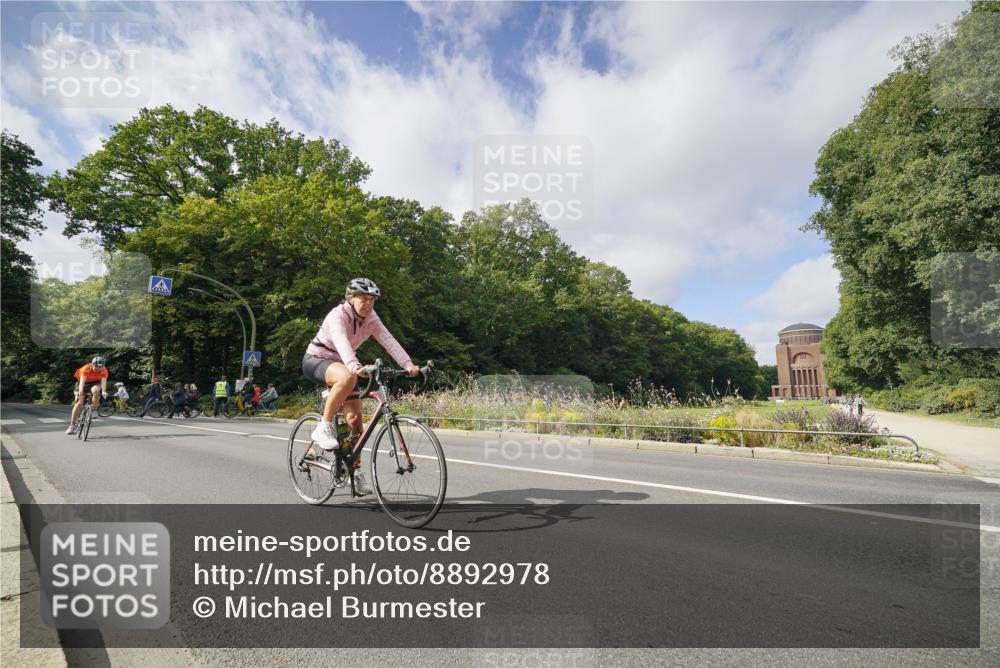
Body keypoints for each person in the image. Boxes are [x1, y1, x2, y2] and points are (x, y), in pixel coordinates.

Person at [302, 278, 419, 496]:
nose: (368, 304)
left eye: (372, 300)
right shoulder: (337, 315)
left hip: (344, 364)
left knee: (356, 422)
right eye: (363, 299)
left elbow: (389, 340)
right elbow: (341, 341)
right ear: (351, 298)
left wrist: (408, 365)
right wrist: (355, 366)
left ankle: (352, 471)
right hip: (317, 359)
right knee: (347, 376)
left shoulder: (372, 318)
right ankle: (324, 426)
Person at [67, 356, 109, 434]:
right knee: (79, 403)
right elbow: (82, 382)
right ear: (93, 365)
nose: (99, 369)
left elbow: (103, 382)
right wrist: (80, 391)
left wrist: (103, 391)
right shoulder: (86, 368)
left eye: (101, 367)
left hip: (95, 382)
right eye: (97, 367)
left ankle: (93, 409)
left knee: (96, 391)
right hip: (83, 383)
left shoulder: (104, 370)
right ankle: (72, 425)